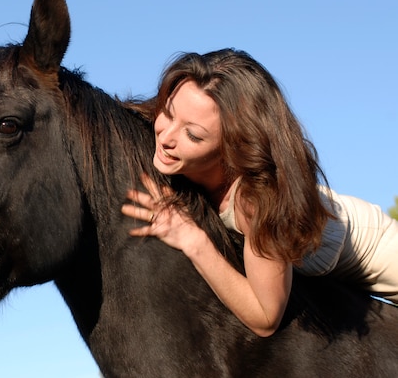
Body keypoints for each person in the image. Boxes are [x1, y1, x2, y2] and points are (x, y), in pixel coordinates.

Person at [121, 48, 398, 337]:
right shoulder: (164, 136)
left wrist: (192, 239)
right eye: (167, 113)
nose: (165, 138)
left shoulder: (254, 199)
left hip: (369, 245)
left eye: (193, 135)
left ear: (233, 146)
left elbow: (266, 318)